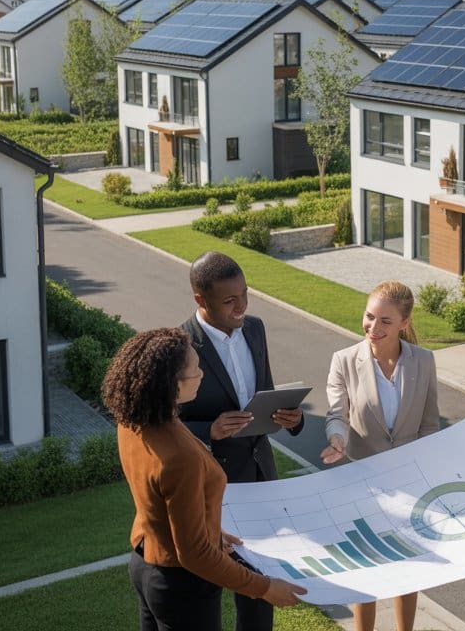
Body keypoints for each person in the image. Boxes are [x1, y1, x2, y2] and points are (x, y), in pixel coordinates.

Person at [103, 327, 306, 631]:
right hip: (181, 588)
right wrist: (263, 587)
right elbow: (195, 554)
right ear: (171, 384)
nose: (202, 374)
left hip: (144, 563)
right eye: (195, 370)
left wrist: (211, 530)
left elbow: (163, 504)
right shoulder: (180, 455)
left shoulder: (134, 422)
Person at [180, 251, 305, 631]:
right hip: (211, 485)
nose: (241, 307)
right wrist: (209, 431)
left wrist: (291, 418)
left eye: (245, 295)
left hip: (260, 474)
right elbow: (165, 423)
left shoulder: (255, 328)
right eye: (229, 300)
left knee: (261, 587)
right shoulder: (179, 345)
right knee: (208, 590)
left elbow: (262, 393)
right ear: (201, 300)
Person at [321, 281, 440, 631]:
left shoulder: (424, 361)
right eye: (370, 317)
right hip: (362, 483)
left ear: (404, 322)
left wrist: (424, 471)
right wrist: (337, 440)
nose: (374, 328)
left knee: (409, 567)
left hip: (410, 483)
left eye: (385, 321)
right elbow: (336, 414)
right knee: (368, 569)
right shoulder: (344, 360)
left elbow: (430, 423)